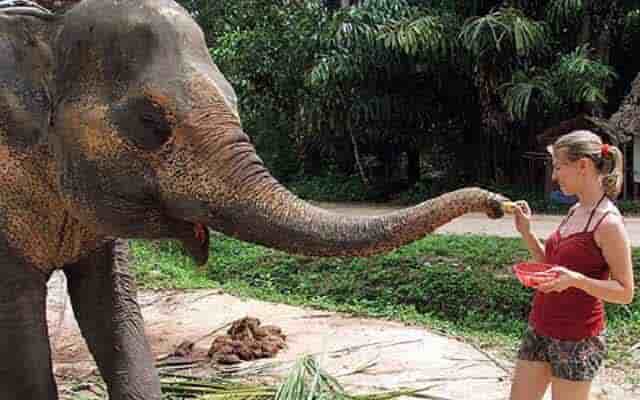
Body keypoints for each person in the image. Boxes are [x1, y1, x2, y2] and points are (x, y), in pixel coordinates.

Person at [509, 130, 634, 400]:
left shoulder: (608, 223)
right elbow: (551, 268)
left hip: (577, 339)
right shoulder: (575, 211)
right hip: (540, 327)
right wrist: (527, 233)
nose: (554, 176)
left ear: (583, 166)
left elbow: (625, 292)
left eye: (558, 167)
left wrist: (577, 280)